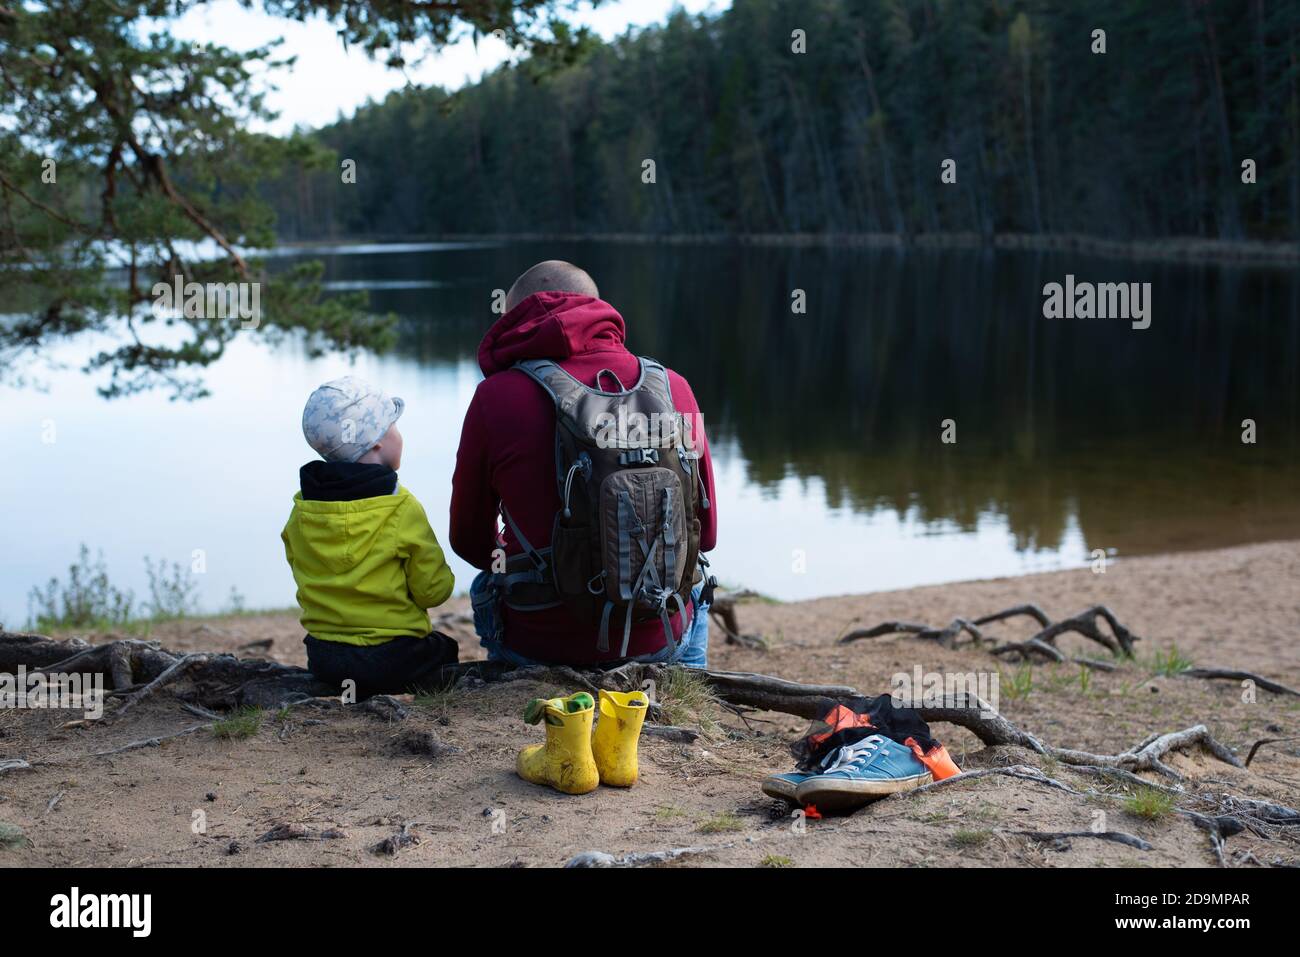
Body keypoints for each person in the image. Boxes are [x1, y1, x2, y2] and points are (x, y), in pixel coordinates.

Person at [450, 260, 717, 667]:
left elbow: (468, 540)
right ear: (598, 308)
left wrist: (550, 564)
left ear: (515, 319)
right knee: (695, 588)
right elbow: (706, 531)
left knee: (488, 579)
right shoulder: (673, 386)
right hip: (657, 637)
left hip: (541, 644)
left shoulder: (495, 397)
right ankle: (685, 676)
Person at [283, 375, 457, 698]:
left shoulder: (302, 510)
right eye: (394, 426)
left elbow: (300, 568)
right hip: (391, 657)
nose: (399, 435)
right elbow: (433, 591)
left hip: (324, 656)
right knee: (445, 650)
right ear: (378, 441)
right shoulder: (401, 507)